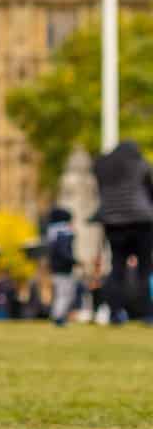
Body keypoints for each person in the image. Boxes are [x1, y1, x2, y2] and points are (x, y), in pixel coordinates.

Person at [92, 139, 153, 324]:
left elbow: (101, 191)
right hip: (141, 220)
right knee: (145, 268)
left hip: (113, 222)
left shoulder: (102, 166)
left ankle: (115, 312)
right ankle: (147, 313)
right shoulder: (140, 164)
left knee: (117, 267)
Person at [44, 206, 78, 326]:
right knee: (65, 294)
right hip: (64, 269)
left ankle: (57, 316)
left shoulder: (52, 233)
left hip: (56, 268)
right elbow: (64, 252)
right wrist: (75, 261)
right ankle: (58, 317)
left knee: (60, 293)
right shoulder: (64, 233)